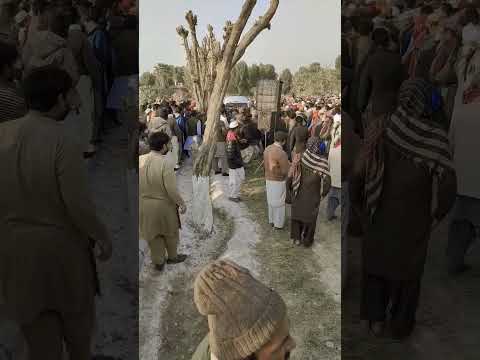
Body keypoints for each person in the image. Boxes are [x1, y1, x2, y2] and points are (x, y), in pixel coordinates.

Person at [0, 66, 112, 360]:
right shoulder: (63, 140)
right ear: (60, 99)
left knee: (40, 348)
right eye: (71, 94)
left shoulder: (3, 133)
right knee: (77, 340)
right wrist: (102, 237)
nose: (75, 100)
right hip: (63, 254)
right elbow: (77, 205)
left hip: (14, 254)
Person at [358, 79, 457, 339]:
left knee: (376, 265)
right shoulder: (436, 138)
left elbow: (359, 171)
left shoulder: (382, 126)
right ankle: (399, 326)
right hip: (414, 219)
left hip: (378, 211)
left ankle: (375, 320)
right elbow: (448, 186)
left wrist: (360, 206)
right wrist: (437, 216)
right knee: (408, 273)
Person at [191, 259, 296, 360]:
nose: (293, 344)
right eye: (279, 347)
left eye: (287, 336)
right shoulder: (232, 341)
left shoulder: (228, 334)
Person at [139, 131, 187, 272]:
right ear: (164, 146)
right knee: (170, 233)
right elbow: (171, 190)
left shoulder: (140, 159)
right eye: (169, 144)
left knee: (153, 235)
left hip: (143, 205)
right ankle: (172, 257)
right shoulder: (166, 163)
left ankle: (158, 261)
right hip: (163, 206)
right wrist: (181, 203)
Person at [289, 136, 331, 247]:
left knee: (297, 215)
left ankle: (296, 238)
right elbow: (327, 183)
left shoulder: (301, 156)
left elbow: (293, 172)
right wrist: (323, 194)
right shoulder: (323, 162)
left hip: (298, 192)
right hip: (313, 195)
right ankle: (307, 241)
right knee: (310, 219)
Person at [263, 131, 290, 230]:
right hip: (278, 180)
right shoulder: (281, 153)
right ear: (283, 141)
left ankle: (271, 220)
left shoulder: (267, 148)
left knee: (271, 201)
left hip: (268, 178)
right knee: (279, 203)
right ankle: (278, 224)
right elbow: (285, 171)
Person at [0, 40, 27, 123]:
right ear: (6, 68)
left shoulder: (14, 83)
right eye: (15, 62)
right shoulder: (12, 99)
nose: (20, 66)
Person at [327, 113, 342, 221]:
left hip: (333, 180)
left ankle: (329, 215)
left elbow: (328, 165)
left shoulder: (332, 149)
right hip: (342, 181)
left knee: (332, 199)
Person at [226, 120, 245, 202]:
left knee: (240, 179)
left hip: (236, 163)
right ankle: (233, 196)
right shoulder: (231, 138)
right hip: (234, 164)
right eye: (238, 128)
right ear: (235, 128)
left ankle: (236, 194)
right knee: (234, 181)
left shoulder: (233, 135)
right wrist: (239, 162)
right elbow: (230, 154)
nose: (239, 130)